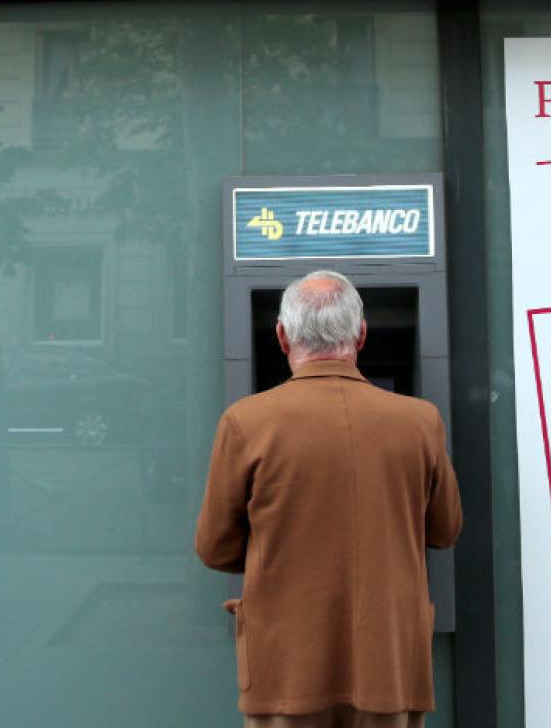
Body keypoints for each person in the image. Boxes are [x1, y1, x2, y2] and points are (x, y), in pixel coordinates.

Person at [195, 270, 461, 728]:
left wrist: (276, 550)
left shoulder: (246, 422)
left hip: (286, 668)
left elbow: (215, 548)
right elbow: (444, 530)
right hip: (389, 665)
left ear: (282, 336)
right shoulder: (420, 421)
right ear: (361, 335)